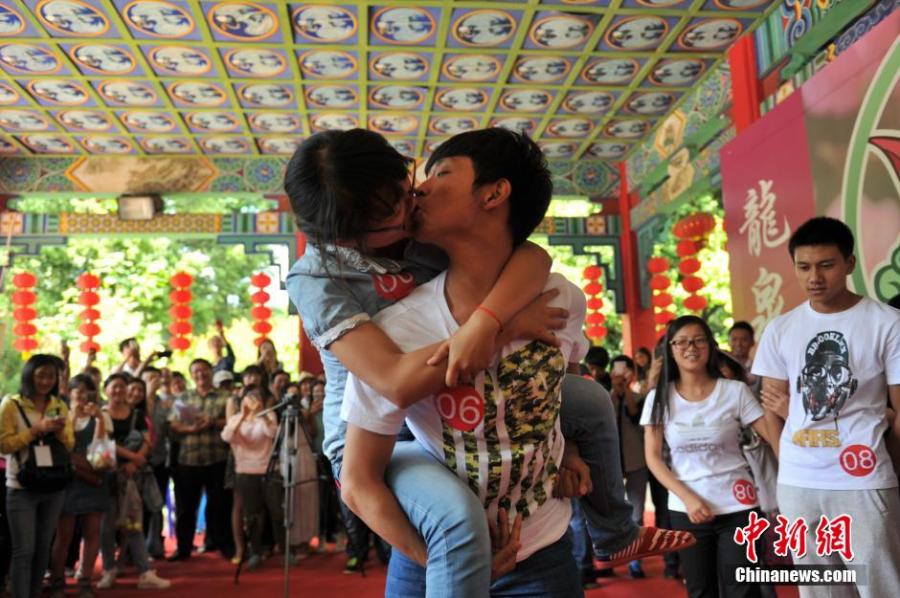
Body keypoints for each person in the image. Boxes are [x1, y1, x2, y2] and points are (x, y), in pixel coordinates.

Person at [284, 128, 693, 592]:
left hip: (472, 422)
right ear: (344, 236)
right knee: (457, 525)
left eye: (405, 188)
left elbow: (530, 255)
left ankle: (612, 533)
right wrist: (504, 328)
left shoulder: (426, 231)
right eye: (386, 216)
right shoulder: (319, 278)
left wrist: (565, 446)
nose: (410, 205)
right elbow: (393, 381)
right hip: (382, 434)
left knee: (588, 400)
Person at [752, 216, 900, 598]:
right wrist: (785, 456)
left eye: (826, 265)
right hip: (798, 482)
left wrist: (890, 463)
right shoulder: (781, 328)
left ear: (849, 264)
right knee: (818, 587)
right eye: (803, 267)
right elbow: (769, 406)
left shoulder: (887, 323)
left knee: (878, 582)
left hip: (862, 475)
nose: (814, 277)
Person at [641, 315, 777, 598]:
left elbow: (773, 436)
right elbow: (653, 458)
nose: (691, 347)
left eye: (699, 340)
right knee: (701, 590)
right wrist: (689, 498)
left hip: (739, 506)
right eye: (682, 342)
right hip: (687, 509)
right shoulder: (659, 398)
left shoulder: (735, 391)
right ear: (671, 349)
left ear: (711, 346)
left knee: (744, 588)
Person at [0, 354, 74, 598]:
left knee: (43, 548)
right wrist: (35, 431)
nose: (45, 381)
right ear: (29, 374)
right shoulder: (11, 405)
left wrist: (61, 432)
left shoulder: (60, 405)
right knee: (24, 550)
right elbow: (4, 446)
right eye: (41, 374)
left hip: (54, 484)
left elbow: (70, 445)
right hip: (21, 485)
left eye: (51, 376)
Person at [97, 373, 170, 590]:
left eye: (122, 386)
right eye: (114, 387)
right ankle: (109, 569)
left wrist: (136, 462)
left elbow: (148, 441)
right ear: (106, 390)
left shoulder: (137, 415)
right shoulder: (101, 414)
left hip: (131, 477)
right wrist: (133, 457)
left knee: (134, 523)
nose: (119, 391)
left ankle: (145, 572)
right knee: (107, 525)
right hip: (107, 475)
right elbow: (103, 442)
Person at [49, 374, 112, 598]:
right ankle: (57, 581)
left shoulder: (100, 416)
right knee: (63, 534)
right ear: (69, 394)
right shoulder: (59, 416)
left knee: (92, 532)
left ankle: (85, 579)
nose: (81, 395)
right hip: (68, 482)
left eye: (85, 392)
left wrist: (100, 420)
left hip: (94, 480)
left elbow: (101, 449)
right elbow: (62, 447)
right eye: (77, 391)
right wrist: (72, 419)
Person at [167, 359, 233, 561]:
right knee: (185, 508)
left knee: (220, 506)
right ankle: (183, 548)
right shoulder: (183, 397)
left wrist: (213, 422)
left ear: (211, 372)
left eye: (204, 370)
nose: (200, 375)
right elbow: (173, 424)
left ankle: (224, 546)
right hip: (189, 460)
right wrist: (190, 428)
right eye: (196, 371)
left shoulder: (225, 396)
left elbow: (233, 421)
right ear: (191, 375)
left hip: (217, 458)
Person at [221, 386, 291, 570]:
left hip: (269, 470)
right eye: (249, 397)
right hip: (245, 471)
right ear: (242, 400)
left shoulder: (268, 417)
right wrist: (243, 417)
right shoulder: (236, 419)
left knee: (277, 511)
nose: (252, 400)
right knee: (252, 515)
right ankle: (255, 552)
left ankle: (285, 551)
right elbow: (227, 436)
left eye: (256, 397)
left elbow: (274, 434)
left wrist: (262, 415)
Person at [608, 355, 648, 579]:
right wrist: (615, 391)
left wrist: (627, 392)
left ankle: (635, 562)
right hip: (611, 464)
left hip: (636, 463)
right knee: (611, 515)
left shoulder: (640, 396)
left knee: (637, 514)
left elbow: (635, 417)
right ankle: (611, 557)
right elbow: (607, 420)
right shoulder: (605, 398)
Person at [728, 321, 758, 388]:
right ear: (728, 342)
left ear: (752, 342)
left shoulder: (758, 369)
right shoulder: (721, 367)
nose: (738, 344)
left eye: (744, 340)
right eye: (734, 339)